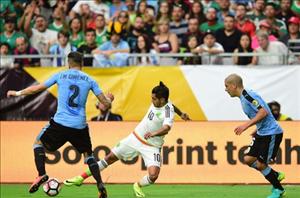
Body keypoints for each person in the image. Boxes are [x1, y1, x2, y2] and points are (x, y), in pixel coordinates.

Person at [6, 52, 111, 198]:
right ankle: (100, 185)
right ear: (82, 63)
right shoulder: (90, 80)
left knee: (38, 144)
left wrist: (17, 93)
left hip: (60, 123)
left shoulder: (61, 75)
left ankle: (41, 174)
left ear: (68, 63)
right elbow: (105, 103)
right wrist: (109, 100)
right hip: (79, 125)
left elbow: (37, 89)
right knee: (89, 157)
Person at [64, 82, 190, 197]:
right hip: (135, 138)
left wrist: (153, 133)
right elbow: (172, 104)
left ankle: (137, 185)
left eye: (154, 99)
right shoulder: (165, 102)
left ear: (162, 100)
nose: (151, 100)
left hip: (152, 146)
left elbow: (166, 128)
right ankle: (80, 178)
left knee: (153, 176)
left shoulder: (168, 111)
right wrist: (182, 113)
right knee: (109, 158)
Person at [224, 74, 285, 198]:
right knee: (248, 159)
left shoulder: (248, 95)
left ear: (234, 85)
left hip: (271, 133)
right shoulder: (243, 97)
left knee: (261, 165)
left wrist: (246, 126)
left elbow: (264, 112)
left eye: (226, 86)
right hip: (262, 132)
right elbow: (260, 114)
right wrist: (257, 129)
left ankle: (279, 190)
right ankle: (275, 175)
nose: (226, 89)